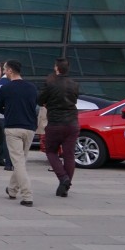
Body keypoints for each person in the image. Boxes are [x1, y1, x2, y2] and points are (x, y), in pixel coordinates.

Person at [0, 60, 38, 207]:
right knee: (20, 160)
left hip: (13, 127)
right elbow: (34, 106)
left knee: (18, 162)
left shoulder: (6, 88)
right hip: (30, 128)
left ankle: (27, 195)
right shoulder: (32, 88)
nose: (3, 72)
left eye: (5, 69)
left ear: (10, 71)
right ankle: (12, 189)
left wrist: (8, 112)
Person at [37, 57, 80, 198]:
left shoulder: (50, 82)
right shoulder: (74, 84)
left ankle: (63, 178)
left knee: (51, 152)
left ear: (56, 68)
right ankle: (65, 187)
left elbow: (40, 100)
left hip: (55, 122)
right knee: (69, 155)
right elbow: (74, 99)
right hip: (72, 123)